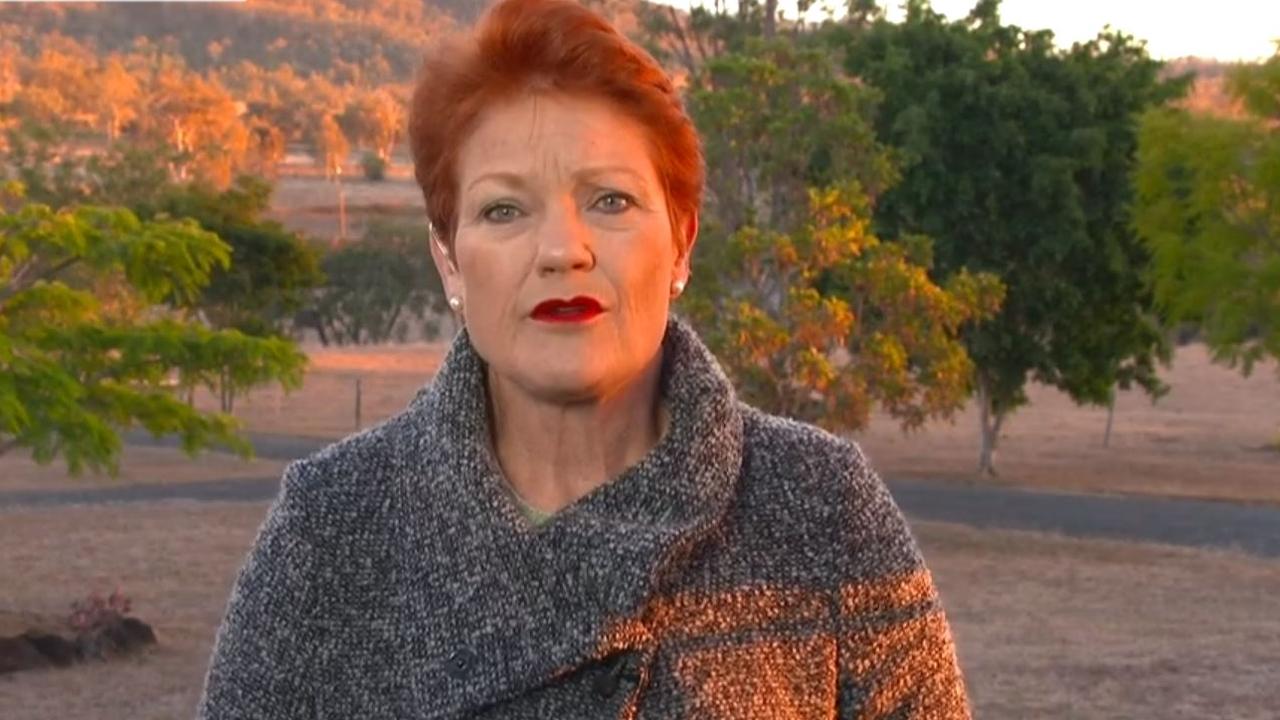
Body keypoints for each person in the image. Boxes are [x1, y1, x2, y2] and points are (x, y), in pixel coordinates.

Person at [196, 0, 969, 717]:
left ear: (682, 241)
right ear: (449, 261)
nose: (564, 250)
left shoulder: (821, 506)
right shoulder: (331, 528)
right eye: (504, 210)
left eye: (611, 201)